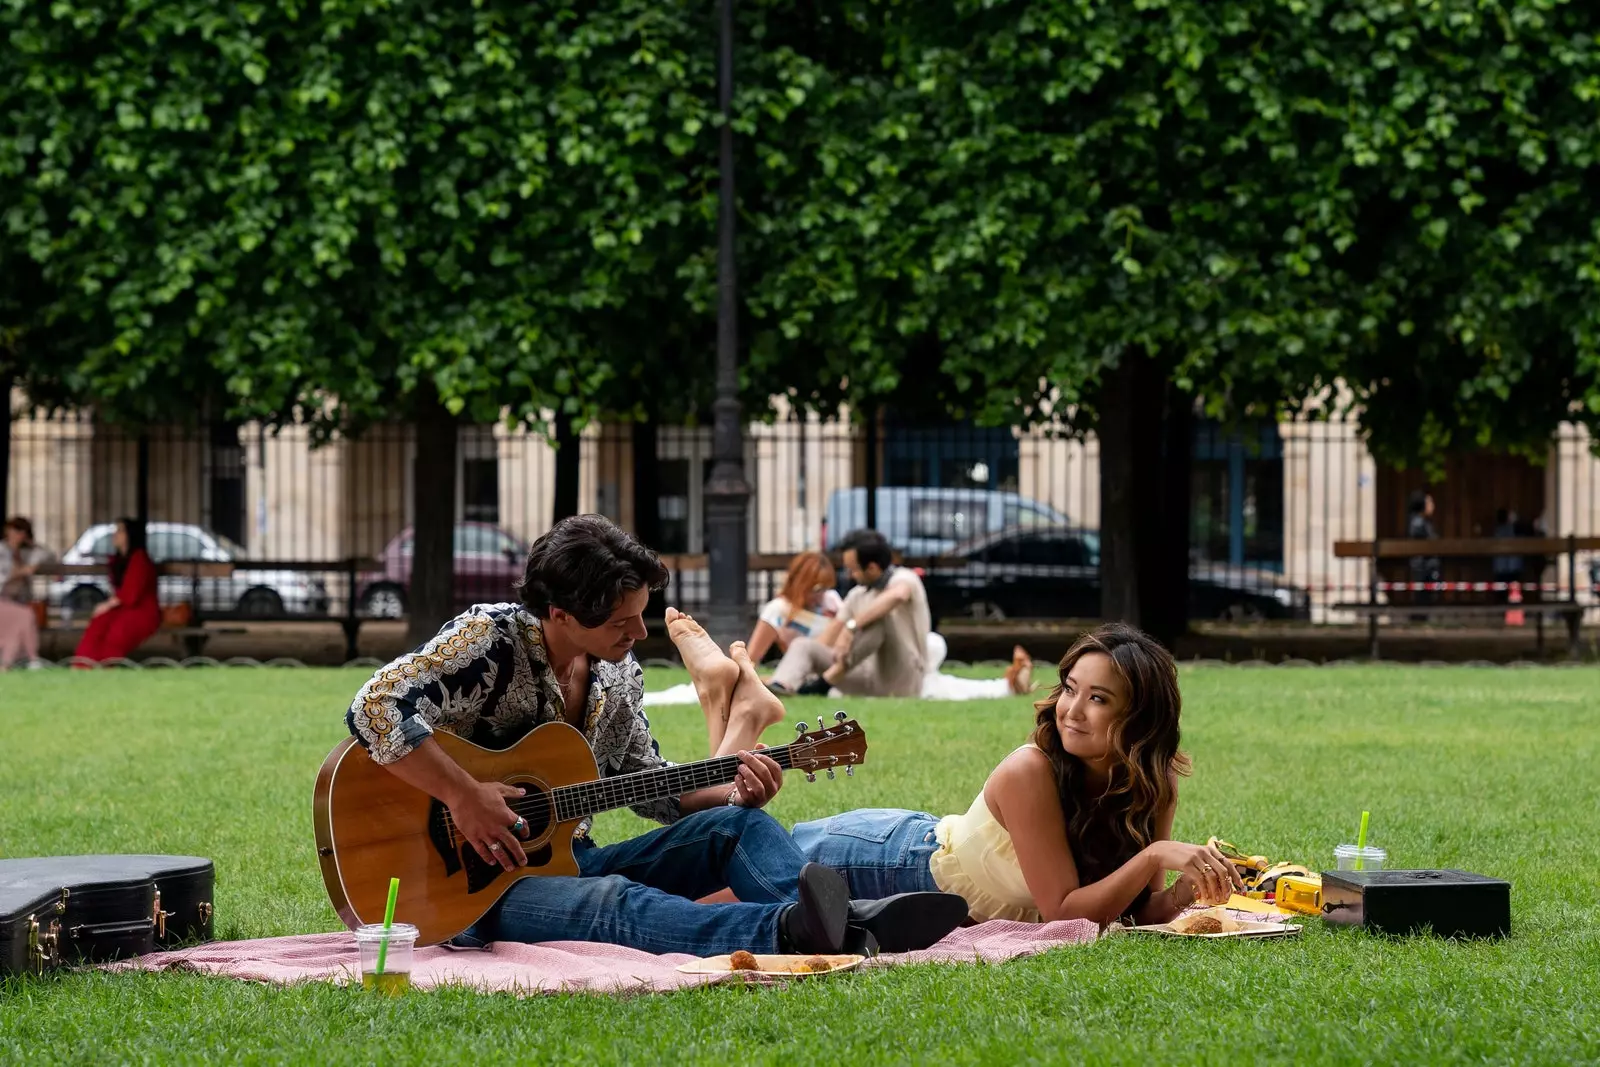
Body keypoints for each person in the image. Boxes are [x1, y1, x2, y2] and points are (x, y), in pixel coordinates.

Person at [344, 514, 969, 957]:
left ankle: (836, 925)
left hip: (567, 856)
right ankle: (788, 934)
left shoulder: (615, 674)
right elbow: (374, 705)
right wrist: (464, 796)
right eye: (622, 620)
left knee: (737, 829)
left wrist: (734, 792)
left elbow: (658, 792)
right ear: (561, 615)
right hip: (468, 894)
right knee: (613, 902)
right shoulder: (485, 642)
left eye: (642, 611)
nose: (641, 632)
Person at [787, 623, 1245, 928]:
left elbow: (1137, 911)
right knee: (726, 909)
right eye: (1070, 689)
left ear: (1141, 720)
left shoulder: (1155, 778)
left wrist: (1186, 892)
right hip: (882, 863)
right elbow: (1065, 915)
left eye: (1099, 699)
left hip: (914, 865)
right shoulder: (1031, 770)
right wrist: (1155, 856)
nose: (1072, 710)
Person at [767, 530, 931, 698]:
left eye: (853, 569)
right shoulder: (857, 594)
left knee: (879, 617)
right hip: (864, 675)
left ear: (872, 568)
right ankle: (782, 686)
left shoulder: (905, 578)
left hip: (902, 678)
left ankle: (828, 680)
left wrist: (851, 627)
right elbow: (828, 638)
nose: (849, 575)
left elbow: (897, 595)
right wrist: (801, 665)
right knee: (803, 645)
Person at [73, 517, 161, 666]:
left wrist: (107, 605)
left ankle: (106, 666)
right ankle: (82, 664)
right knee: (98, 623)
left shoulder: (139, 559)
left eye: (120, 531)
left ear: (130, 535)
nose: (115, 534)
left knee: (117, 633)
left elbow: (131, 593)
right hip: (123, 607)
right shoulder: (117, 560)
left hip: (142, 611)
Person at [744, 551, 843, 664]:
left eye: (825, 588)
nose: (820, 595)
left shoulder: (830, 599)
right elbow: (751, 658)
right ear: (800, 583)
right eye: (816, 589)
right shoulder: (778, 609)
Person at [0, 517, 54, 669]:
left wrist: (32, 544)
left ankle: (6, 664)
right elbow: (4, 576)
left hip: (16, 601)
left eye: (24, 532)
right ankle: (33, 658)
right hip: (3, 600)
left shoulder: (26, 552)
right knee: (26, 615)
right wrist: (23, 571)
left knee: (18, 628)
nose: (20, 535)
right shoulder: (2, 550)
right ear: (7, 531)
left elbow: (48, 555)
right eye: (16, 530)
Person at [1406, 491, 1440, 621]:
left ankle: (1421, 617)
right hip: (1423, 565)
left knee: (1424, 594)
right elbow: (1428, 543)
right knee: (1423, 594)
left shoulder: (1421, 522)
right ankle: (1419, 618)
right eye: (1429, 502)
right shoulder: (1418, 523)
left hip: (1424, 564)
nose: (1432, 506)